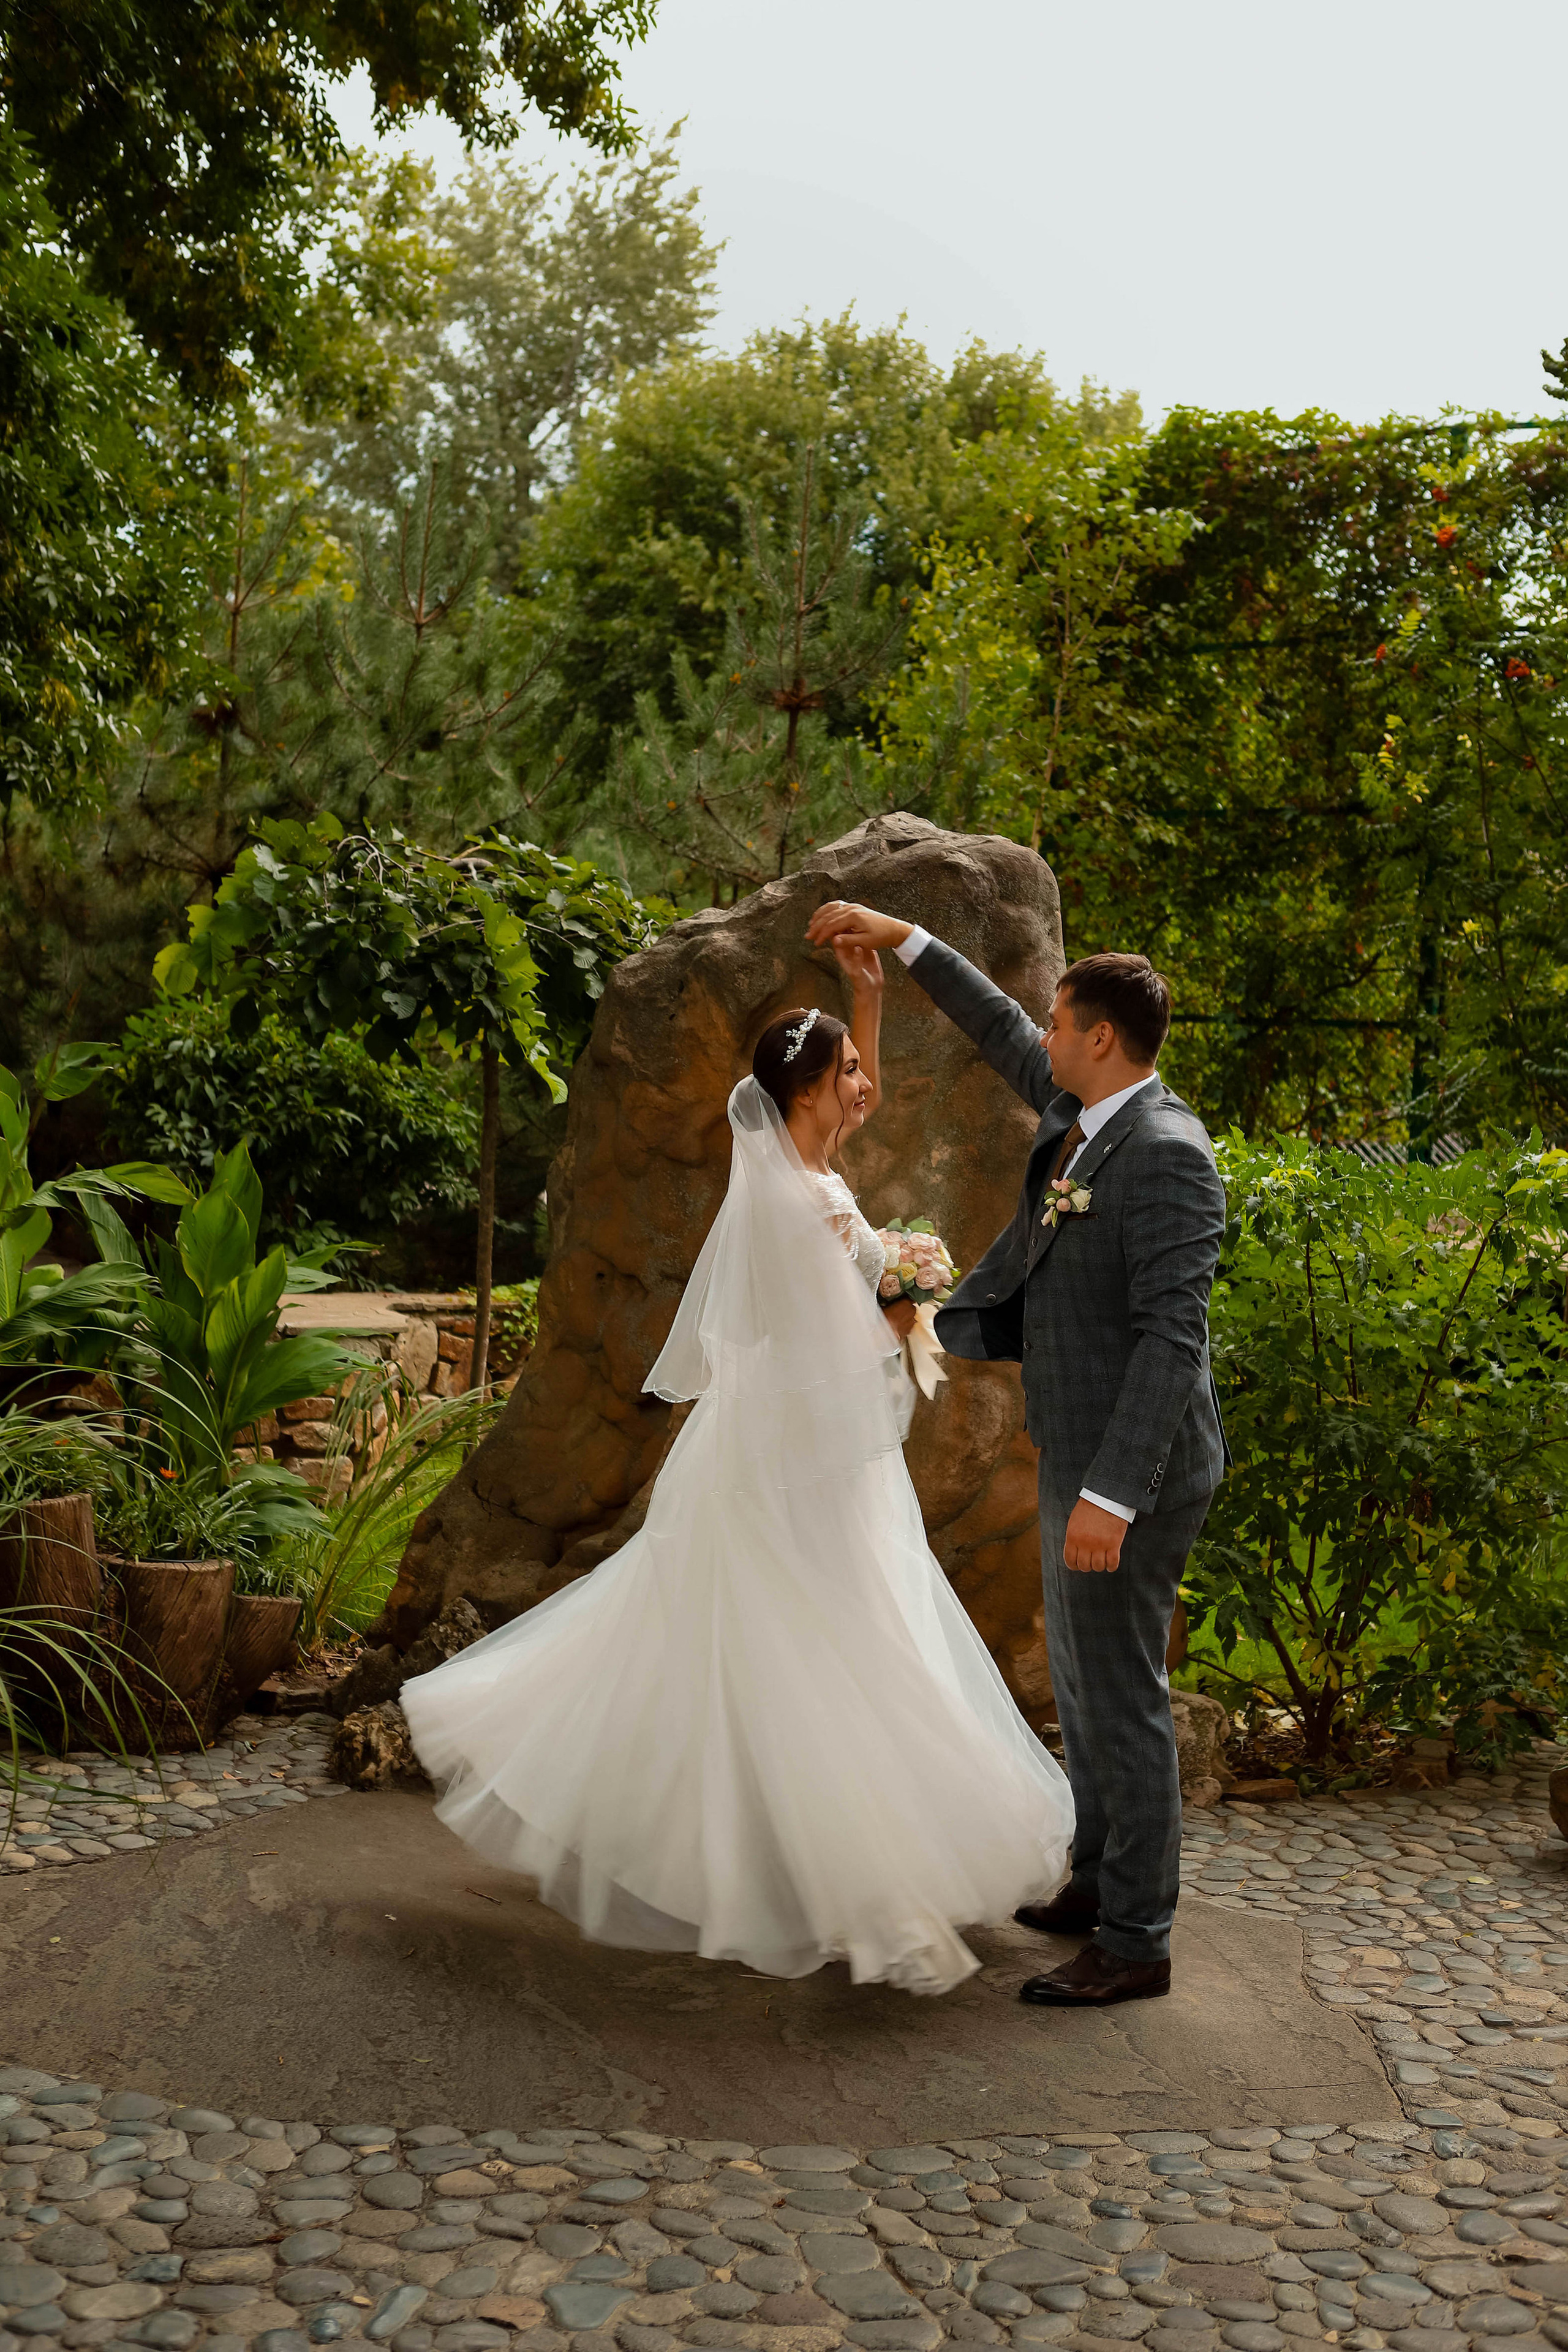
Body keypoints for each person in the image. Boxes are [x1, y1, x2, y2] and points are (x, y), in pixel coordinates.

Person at [401, 932, 1073, 1995]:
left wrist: (866, 999)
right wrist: (906, 1301)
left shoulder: (801, 1173)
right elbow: (834, 1340)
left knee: (791, 1642)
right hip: (811, 1461)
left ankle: (802, 1853)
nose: (866, 1088)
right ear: (809, 1090)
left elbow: (855, 1142)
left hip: (800, 1452)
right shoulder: (801, 1202)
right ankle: (848, 1876)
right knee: (829, 1644)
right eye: (848, 1071)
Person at [805, 901, 1228, 2010]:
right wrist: (902, 939)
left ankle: (1137, 1939)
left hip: (1127, 1476)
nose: (1042, 1037)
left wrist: (1109, 1496)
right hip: (1075, 1450)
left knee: (1123, 1692)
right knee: (1084, 1682)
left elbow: (1172, 1343)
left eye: (1058, 1024)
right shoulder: (1082, 1113)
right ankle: (1096, 1883)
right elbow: (994, 1023)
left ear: (1101, 1037)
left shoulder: (1170, 1156)